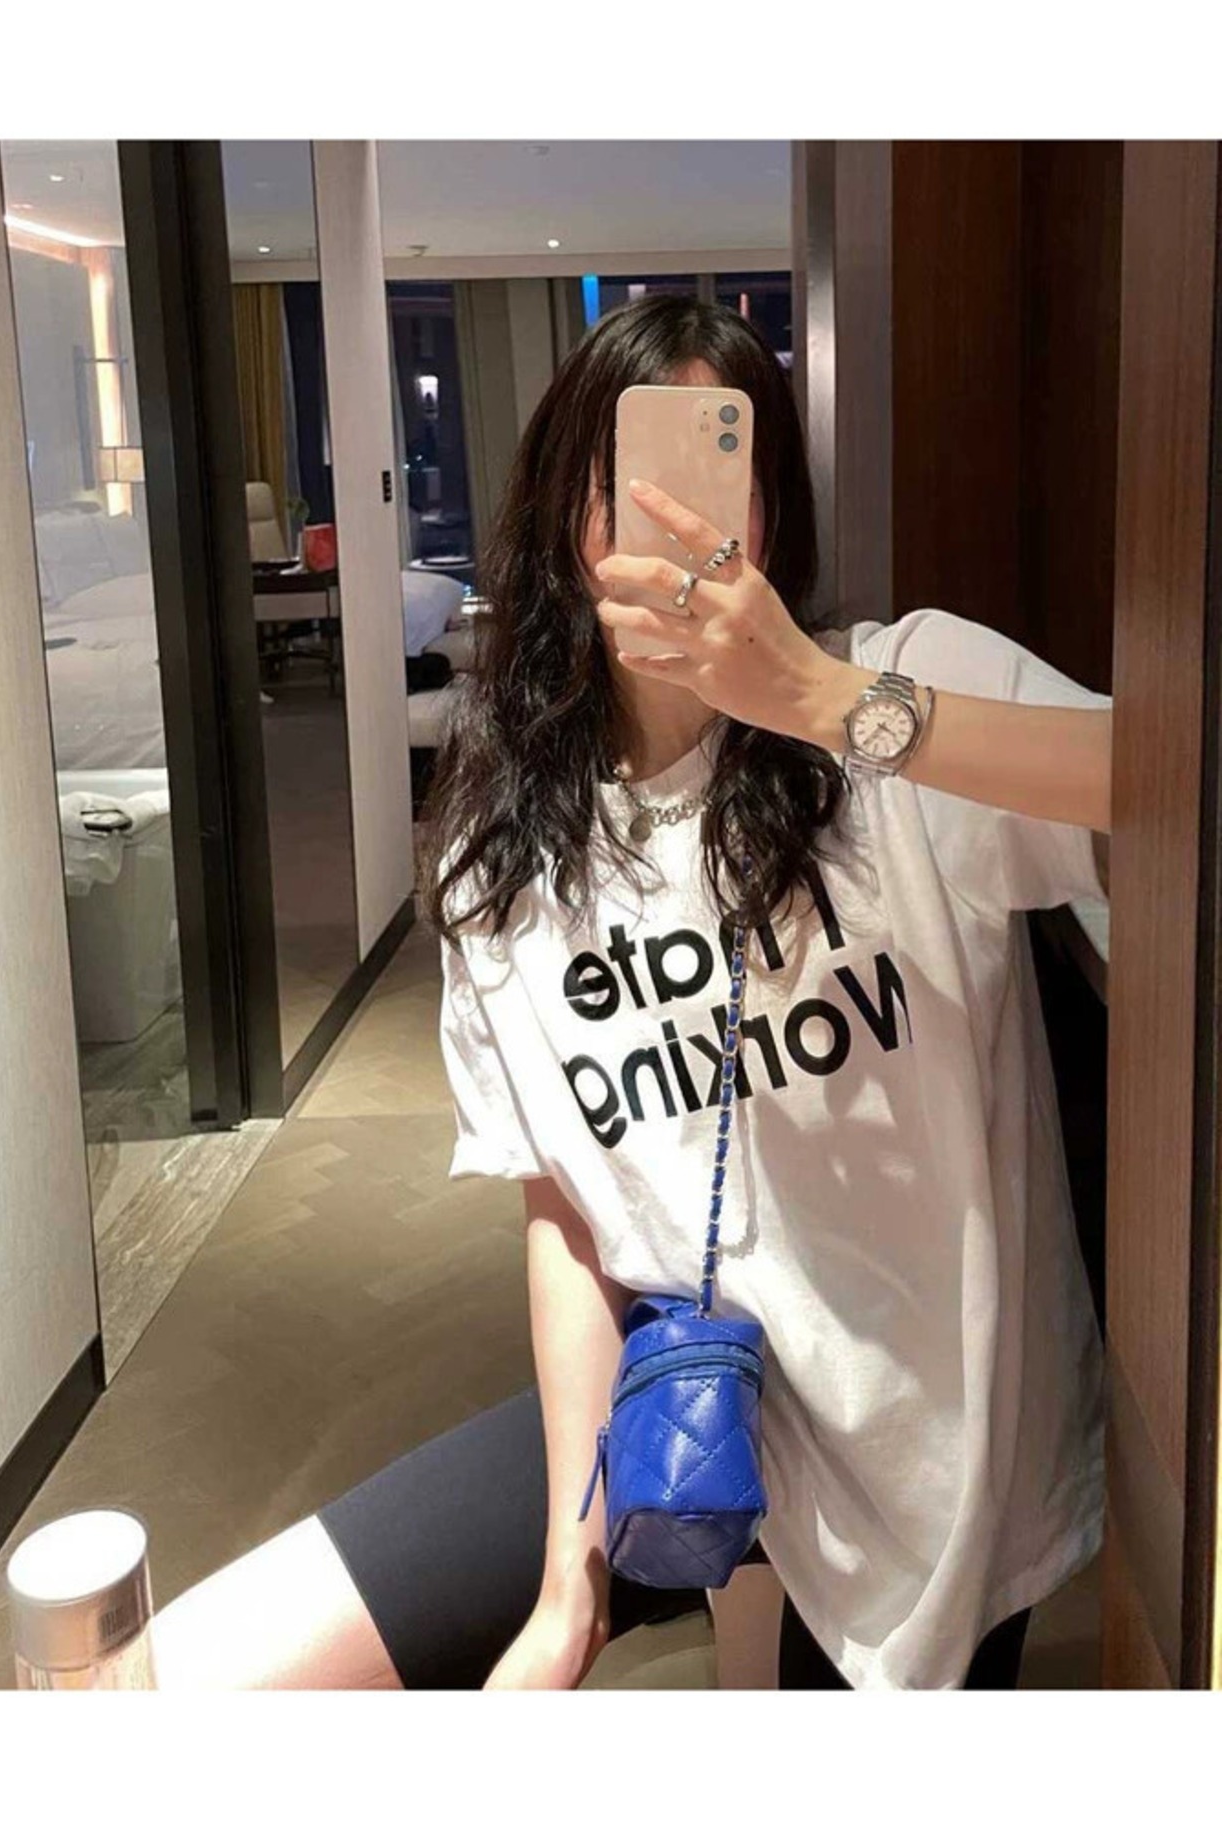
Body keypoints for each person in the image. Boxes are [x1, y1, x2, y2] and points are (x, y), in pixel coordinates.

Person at [151, 296, 1112, 1691]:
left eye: (719, 472)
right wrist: (569, 1578)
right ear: (566, 514)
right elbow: (564, 1209)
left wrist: (824, 702)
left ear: (772, 512)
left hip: (934, 1460)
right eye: (624, 483)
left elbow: (1166, 777)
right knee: (195, 1674)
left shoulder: (907, 690)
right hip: (687, 1400)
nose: (672, 528)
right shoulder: (502, 849)